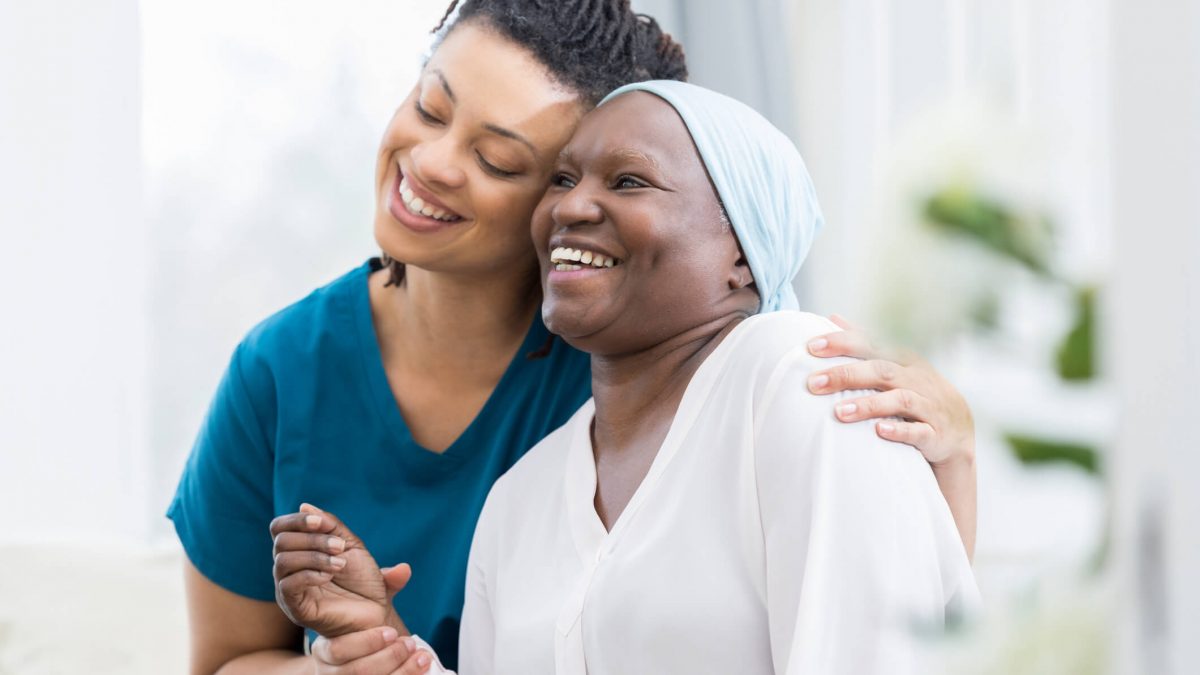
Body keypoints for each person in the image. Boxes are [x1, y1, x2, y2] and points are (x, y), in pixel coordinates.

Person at [170, 2, 976, 673]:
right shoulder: (293, 377)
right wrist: (359, 652)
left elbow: (883, 599)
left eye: (497, 157)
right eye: (430, 105)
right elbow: (223, 660)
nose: (434, 160)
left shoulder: (666, 360)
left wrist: (953, 459)